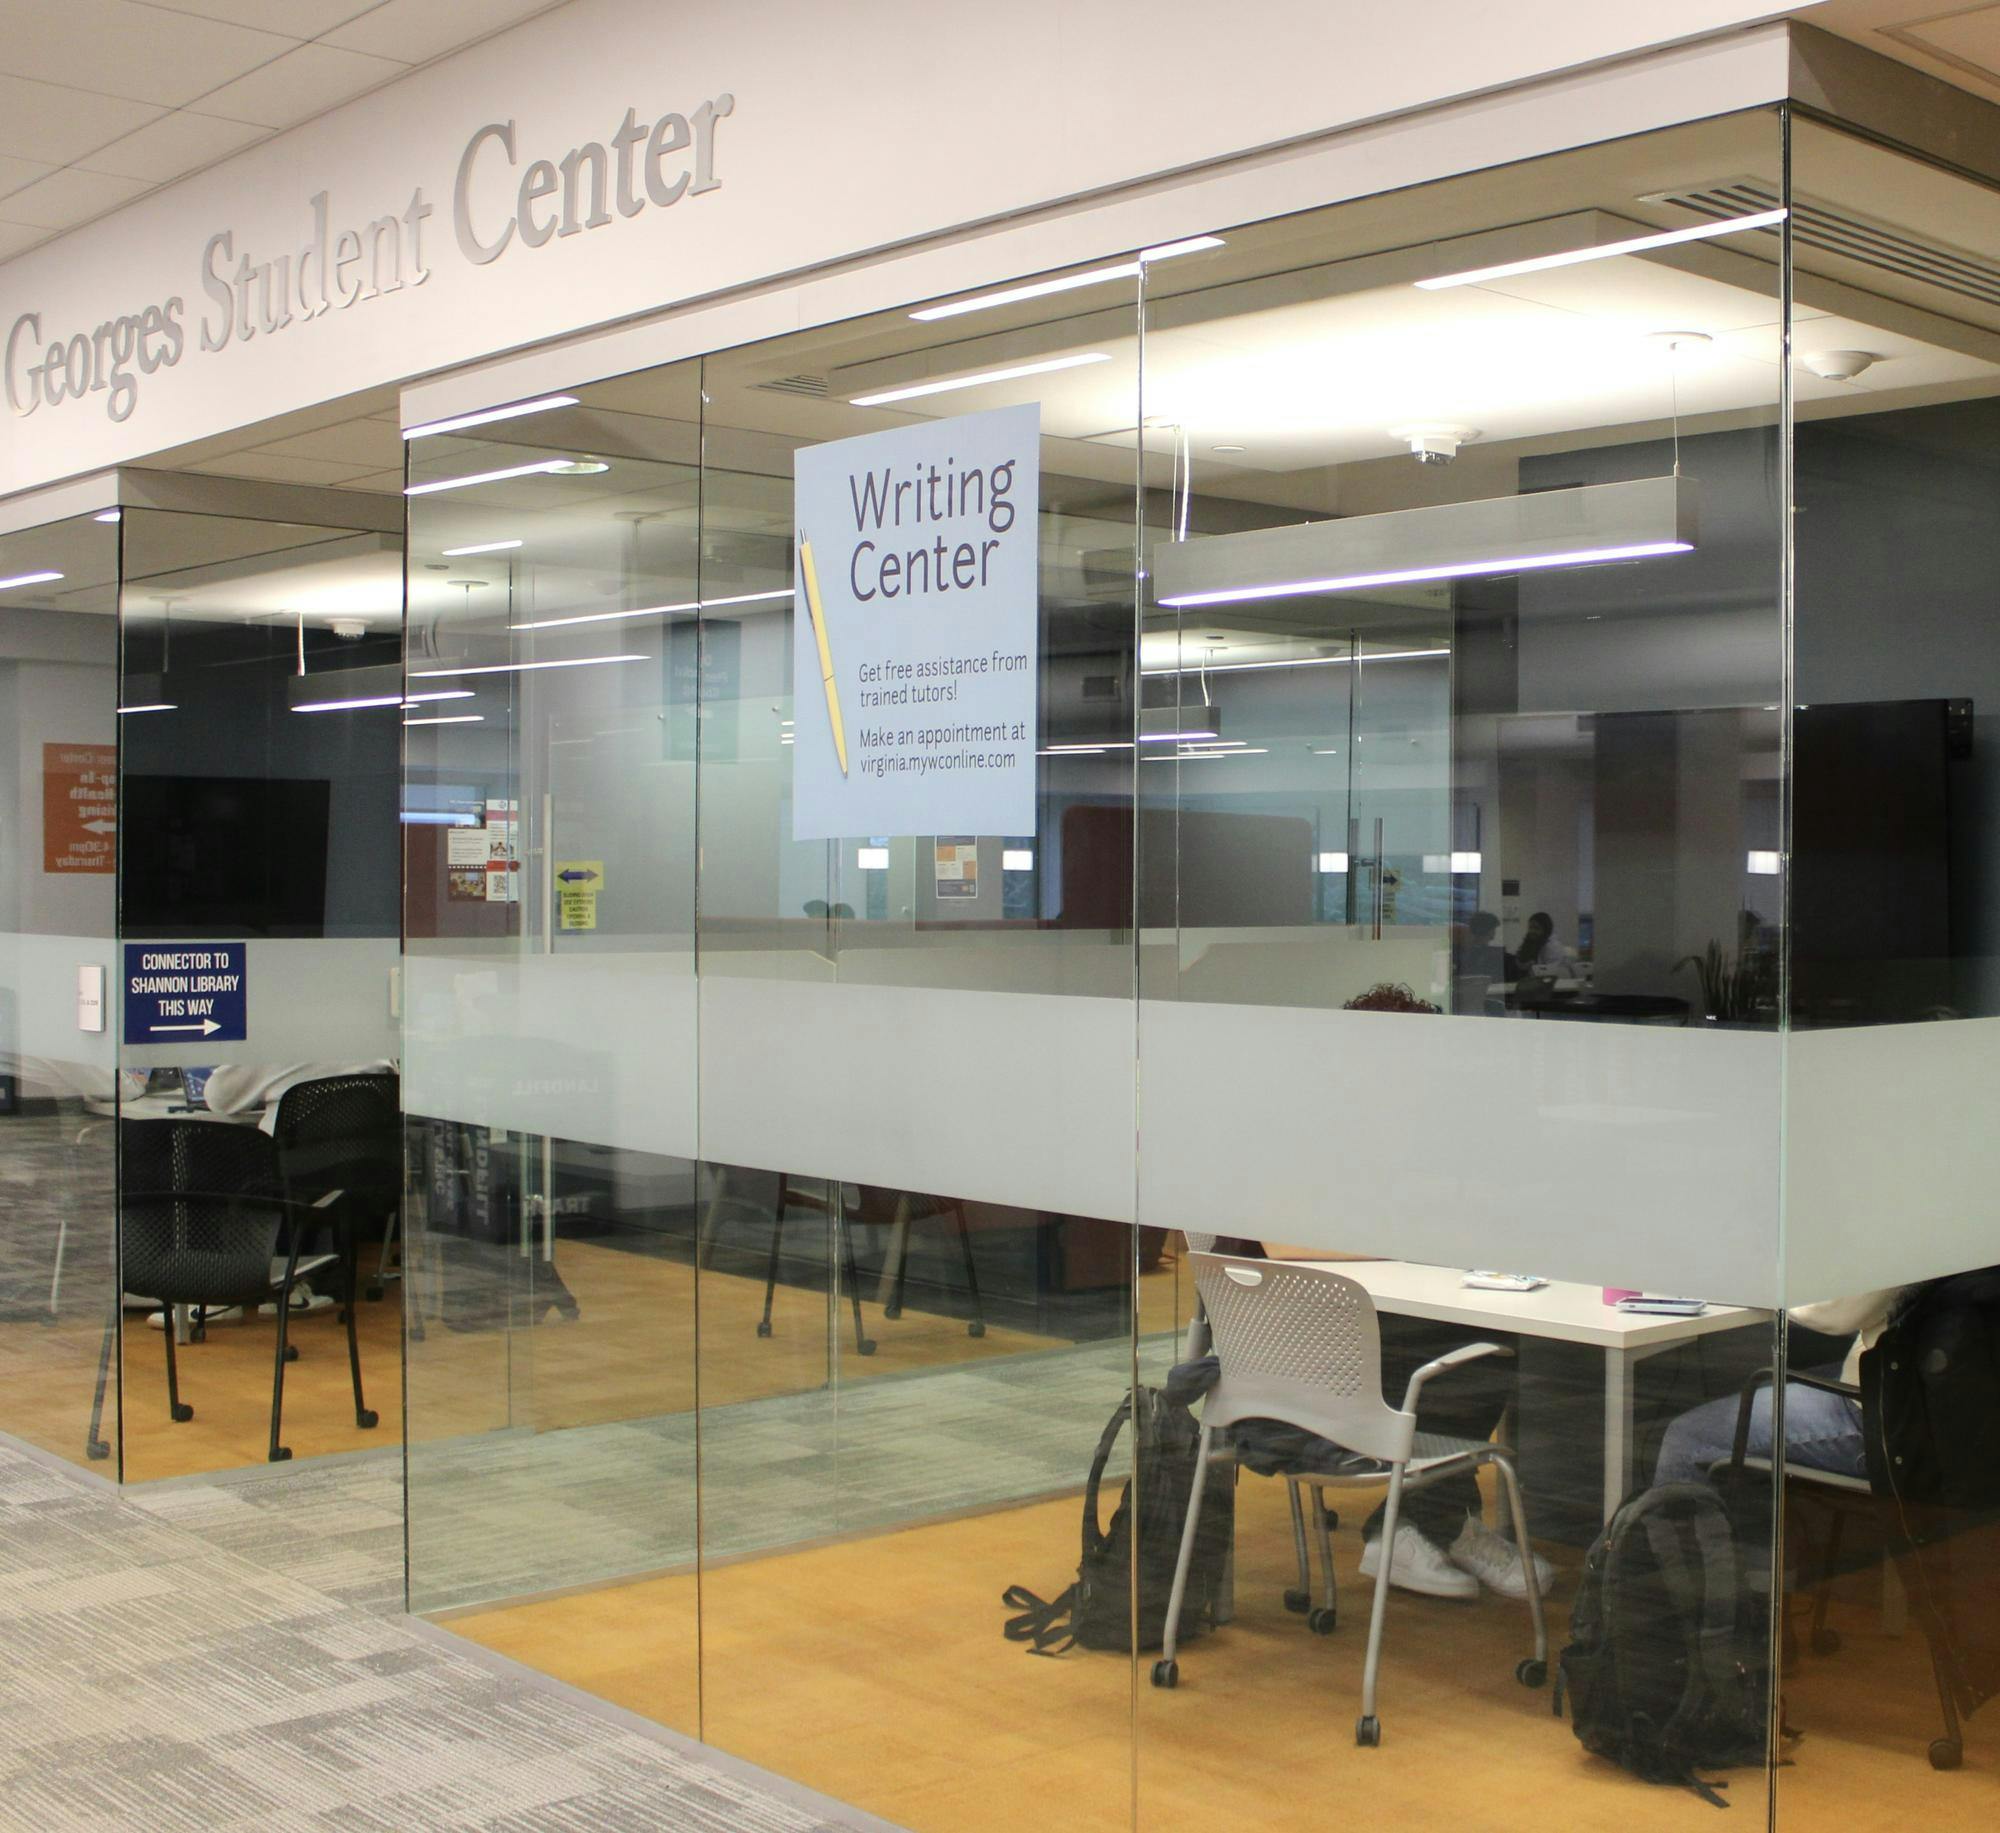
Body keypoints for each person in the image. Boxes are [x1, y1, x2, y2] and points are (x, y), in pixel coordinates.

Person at [1652, 1285, 1920, 1486]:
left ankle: (1697, 1560)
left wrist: (1758, 1287)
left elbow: (1840, 1310)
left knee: (1687, 1439)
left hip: (1884, 1416)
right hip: (1910, 1394)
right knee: (1772, 1378)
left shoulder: (1912, 1218)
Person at [1513, 910, 1578, 980]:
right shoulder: (1531, 941)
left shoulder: (1553, 946)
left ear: (1546, 929)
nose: (1532, 931)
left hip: (1556, 985)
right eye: (1530, 927)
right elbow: (1521, 964)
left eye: (1536, 928)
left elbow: (1549, 972)